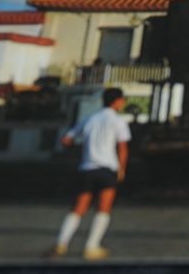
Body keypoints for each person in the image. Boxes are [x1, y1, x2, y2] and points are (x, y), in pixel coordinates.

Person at [50, 88, 132, 260]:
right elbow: (123, 148)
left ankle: (61, 242)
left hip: (87, 167)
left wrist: (79, 148)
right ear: (116, 101)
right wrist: (122, 168)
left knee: (78, 208)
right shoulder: (118, 122)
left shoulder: (89, 119)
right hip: (107, 168)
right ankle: (91, 246)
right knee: (103, 208)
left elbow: (66, 139)